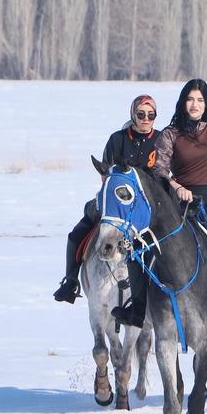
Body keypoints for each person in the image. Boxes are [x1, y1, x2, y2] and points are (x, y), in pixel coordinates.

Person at [111, 77, 207, 337]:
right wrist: (175, 185)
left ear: (206, 105)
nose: (195, 105)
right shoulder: (171, 134)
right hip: (179, 202)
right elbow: (159, 169)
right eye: (191, 99)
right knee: (142, 247)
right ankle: (138, 307)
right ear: (183, 102)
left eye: (200, 100)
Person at [53, 95, 162, 303]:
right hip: (116, 201)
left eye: (151, 115)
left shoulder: (160, 140)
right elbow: (106, 175)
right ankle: (71, 281)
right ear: (133, 115)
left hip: (148, 204)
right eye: (141, 114)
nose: (146, 119)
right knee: (77, 233)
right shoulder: (117, 139)